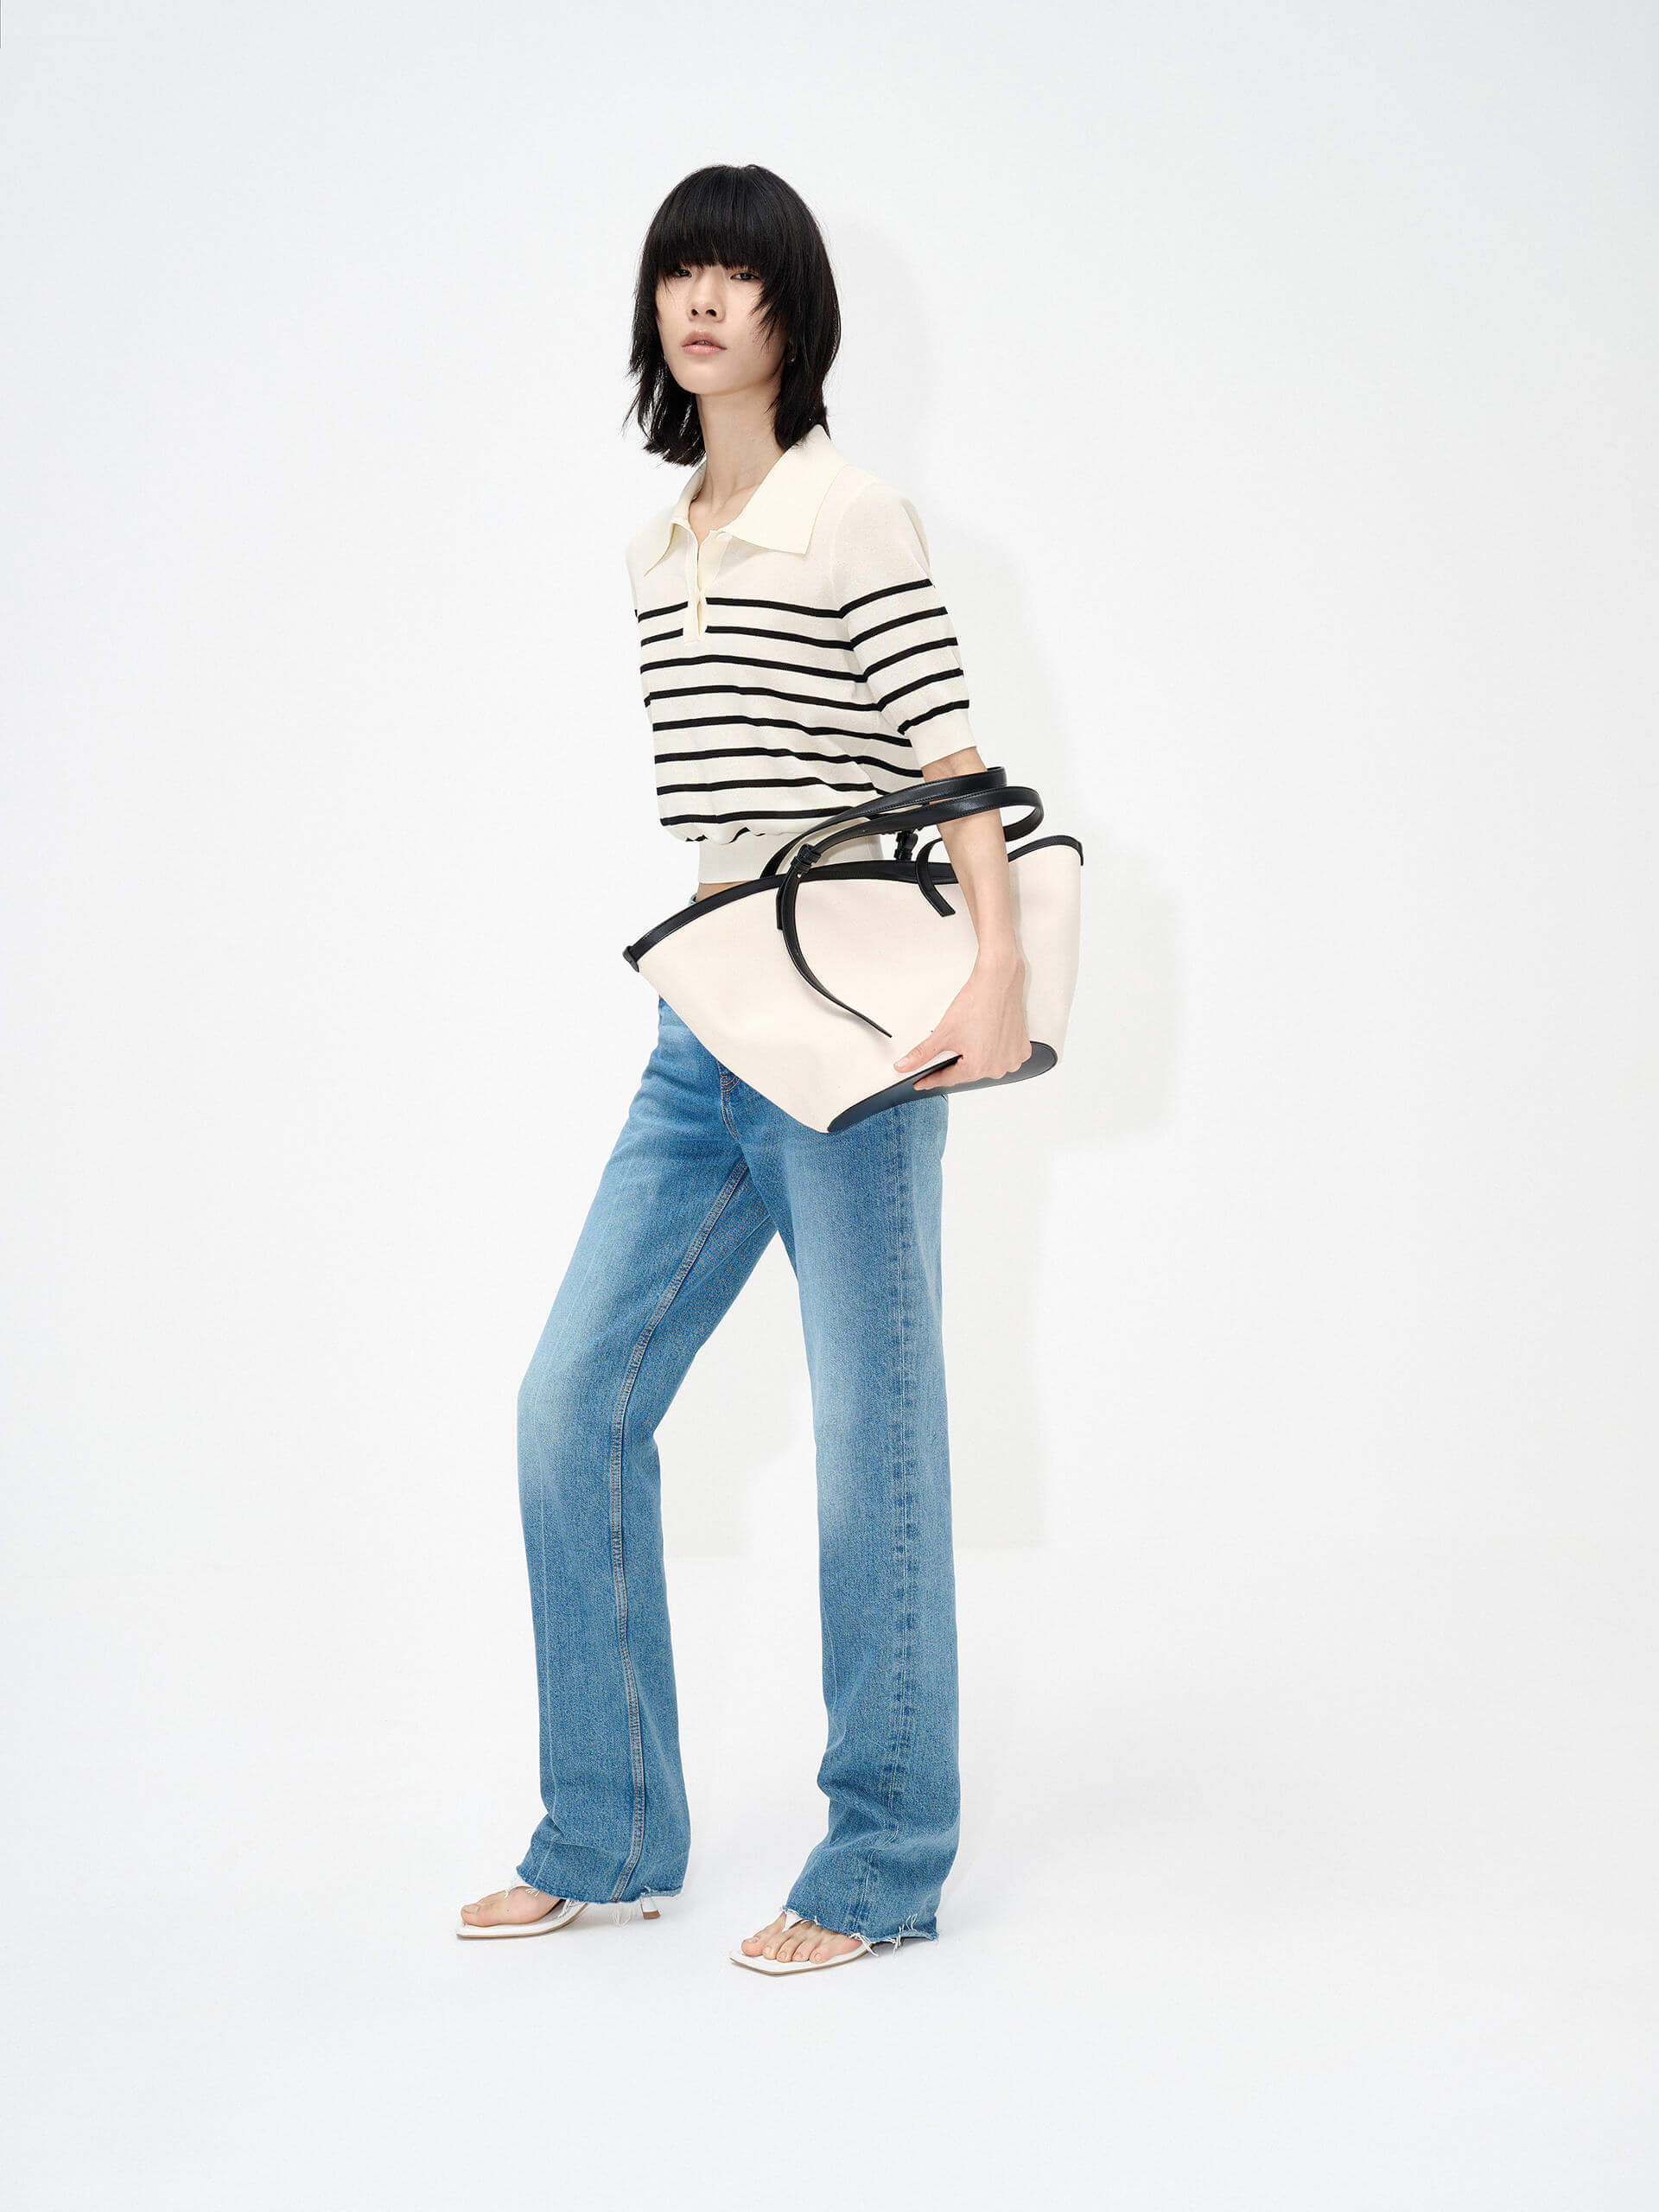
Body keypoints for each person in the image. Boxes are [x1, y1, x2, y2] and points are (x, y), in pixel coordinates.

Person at [458, 163, 1031, 1973]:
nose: (704, 301)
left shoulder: (853, 513)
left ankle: (882, 1861)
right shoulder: (659, 551)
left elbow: (949, 757)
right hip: (701, 1024)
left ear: (794, 310)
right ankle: (609, 1828)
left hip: (852, 1036)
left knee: (874, 1446)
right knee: (571, 1403)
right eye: (678, 275)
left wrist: (999, 971)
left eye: (739, 274)